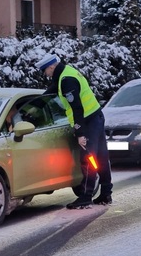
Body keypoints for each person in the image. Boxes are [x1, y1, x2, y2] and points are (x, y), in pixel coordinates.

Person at [35, 54, 113, 209]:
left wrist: (80, 133)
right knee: (101, 156)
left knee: (89, 159)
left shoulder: (67, 80)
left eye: (45, 70)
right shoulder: (65, 73)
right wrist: (36, 105)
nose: (45, 73)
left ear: (51, 67)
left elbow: (77, 108)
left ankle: (85, 196)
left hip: (87, 121)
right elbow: (53, 89)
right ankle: (105, 193)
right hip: (95, 117)